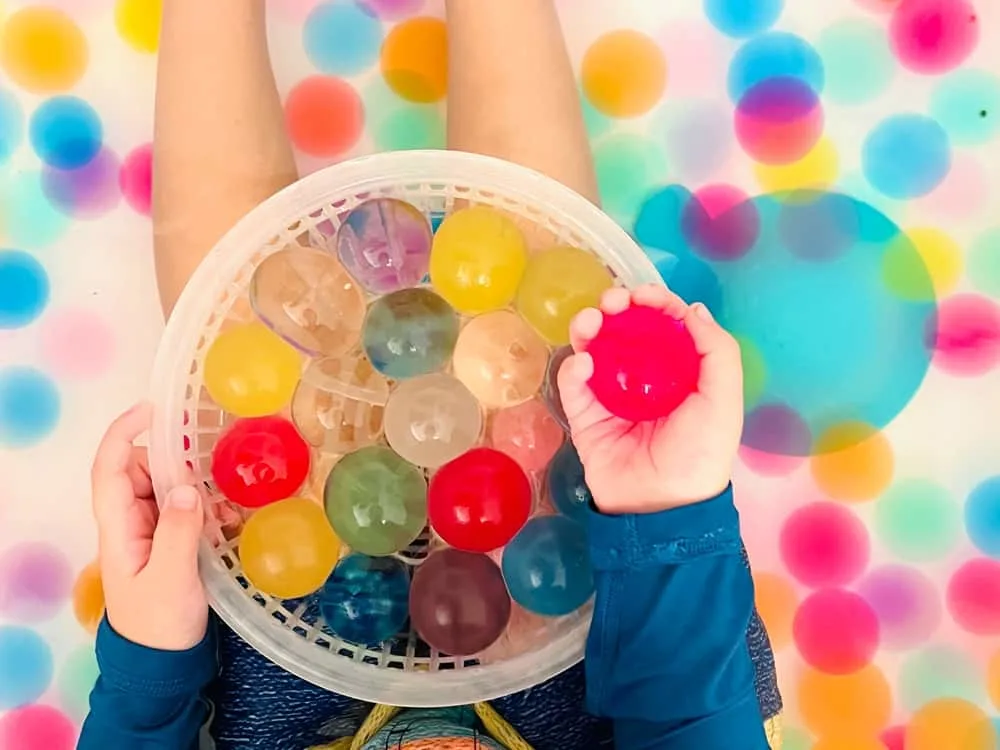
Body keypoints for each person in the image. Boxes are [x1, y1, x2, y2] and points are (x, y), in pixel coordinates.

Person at [79, 0, 782, 748]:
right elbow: (687, 709)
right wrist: (662, 508)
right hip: (562, 634)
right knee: (542, 312)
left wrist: (151, 652)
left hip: (296, 630)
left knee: (238, 357)